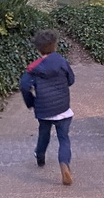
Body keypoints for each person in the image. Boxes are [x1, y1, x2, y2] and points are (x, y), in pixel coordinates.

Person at [19, 30, 75, 185]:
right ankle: (64, 163)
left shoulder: (33, 69)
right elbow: (71, 79)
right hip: (63, 108)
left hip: (44, 109)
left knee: (44, 134)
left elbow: (24, 85)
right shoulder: (62, 62)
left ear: (38, 49)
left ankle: (40, 157)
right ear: (55, 46)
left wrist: (31, 102)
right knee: (64, 138)